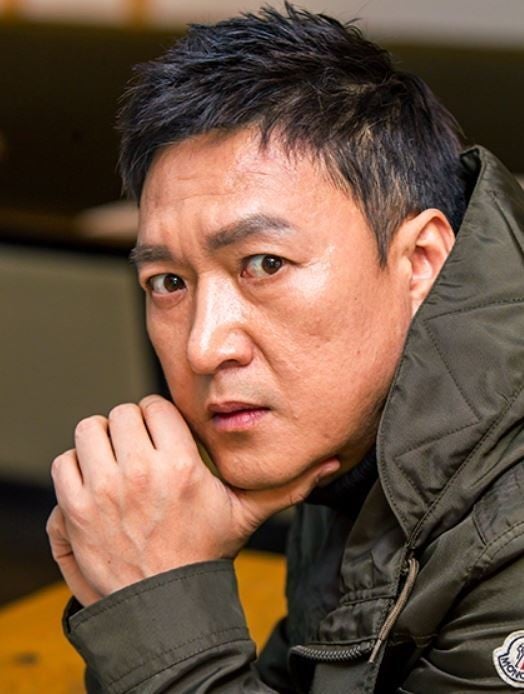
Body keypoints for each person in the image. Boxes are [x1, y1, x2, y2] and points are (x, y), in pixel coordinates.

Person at [46, 4, 524, 692]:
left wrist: (158, 600)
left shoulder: (509, 534)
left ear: (420, 260)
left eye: (264, 264)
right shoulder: (355, 437)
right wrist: (135, 590)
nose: (204, 346)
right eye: (169, 282)